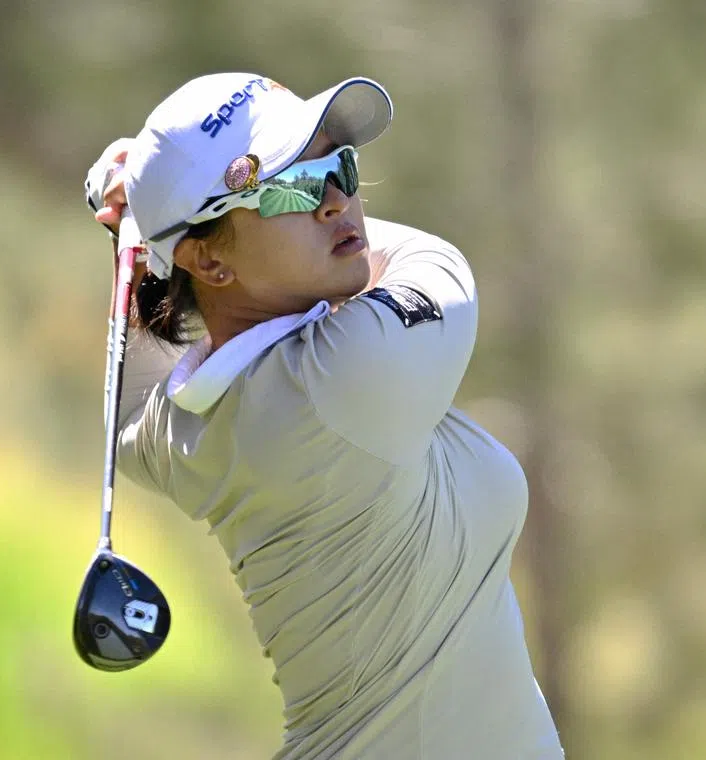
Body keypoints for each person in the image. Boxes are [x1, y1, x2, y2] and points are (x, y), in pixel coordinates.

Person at [84, 72, 564, 760]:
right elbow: (436, 260)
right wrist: (142, 225)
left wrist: (142, 236)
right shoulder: (347, 376)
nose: (339, 201)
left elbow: (126, 404)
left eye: (342, 165)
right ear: (210, 259)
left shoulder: (182, 426)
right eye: (296, 186)